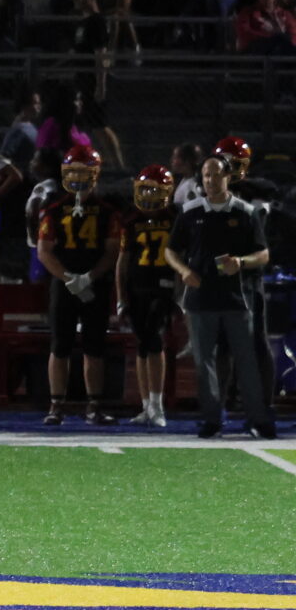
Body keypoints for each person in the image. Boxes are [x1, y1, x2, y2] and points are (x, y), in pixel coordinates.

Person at [166, 155, 276, 439]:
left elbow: (263, 253)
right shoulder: (190, 211)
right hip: (200, 298)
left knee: (246, 360)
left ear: (228, 177)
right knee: (204, 362)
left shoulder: (244, 212)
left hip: (236, 298)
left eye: (216, 175)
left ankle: (258, 418)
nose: (210, 180)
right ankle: (212, 418)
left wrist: (241, 262)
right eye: (206, 175)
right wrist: (184, 271)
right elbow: (171, 250)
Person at [33, 144, 121, 426]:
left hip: (95, 283)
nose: (79, 178)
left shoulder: (106, 210)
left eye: (85, 172)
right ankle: (56, 405)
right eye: (75, 172)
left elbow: (112, 250)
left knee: (95, 346)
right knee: (60, 345)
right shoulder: (54, 208)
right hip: (64, 284)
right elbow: (44, 251)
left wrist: (89, 277)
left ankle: (94, 405)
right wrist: (69, 278)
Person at [120, 164, 179, 429]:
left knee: (154, 341)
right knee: (142, 344)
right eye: (145, 189)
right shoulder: (132, 219)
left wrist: (181, 294)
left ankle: (157, 405)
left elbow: (182, 256)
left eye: (154, 190)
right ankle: (146, 406)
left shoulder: (175, 218)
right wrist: (121, 296)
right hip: (137, 288)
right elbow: (123, 261)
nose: (149, 195)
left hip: (163, 287)